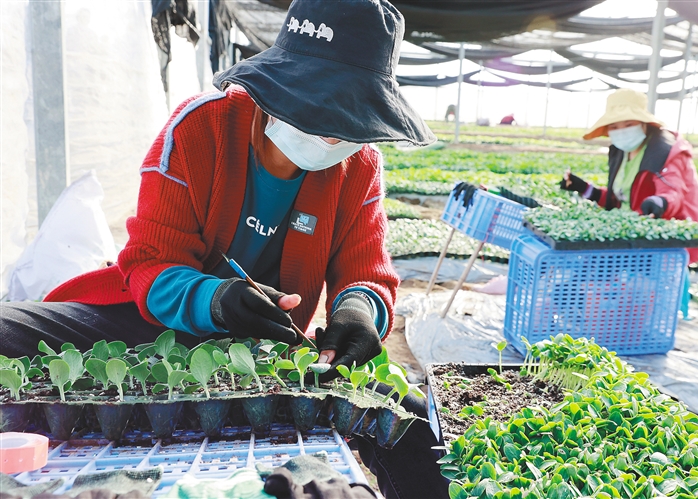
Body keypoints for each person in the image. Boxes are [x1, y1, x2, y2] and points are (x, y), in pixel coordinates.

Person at [0, 1, 448, 498]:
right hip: (151, 326)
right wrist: (214, 300)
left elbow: (367, 272)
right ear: (278, 83)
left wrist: (359, 312)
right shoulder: (198, 129)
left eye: (350, 118)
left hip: (271, 349)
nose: (332, 132)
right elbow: (149, 264)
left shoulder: (359, 165)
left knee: (417, 419)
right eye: (319, 106)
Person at [560, 88, 698, 265]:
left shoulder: (666, 151)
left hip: (661, 247)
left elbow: (673, 193)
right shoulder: (621, 153)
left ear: (644, 123)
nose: (621, 131)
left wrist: (660, 203)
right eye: (614, 127)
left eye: (629, 124)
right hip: (629, 239)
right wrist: (584, 188)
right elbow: (621, 199)